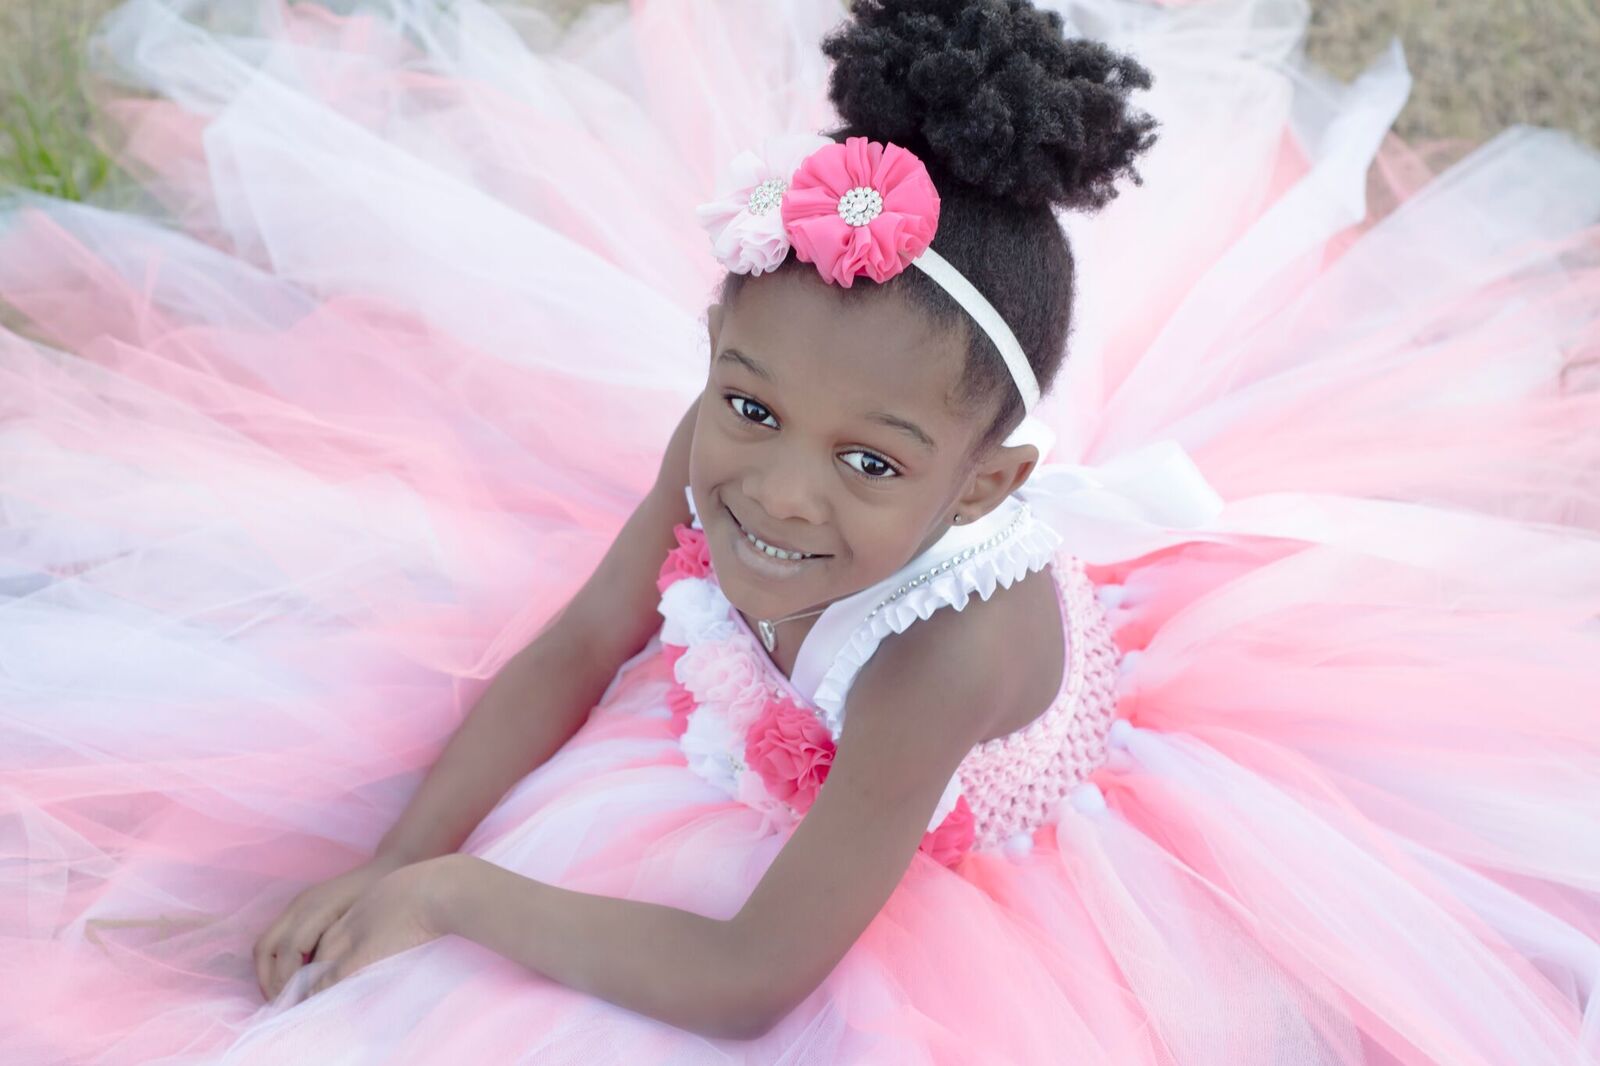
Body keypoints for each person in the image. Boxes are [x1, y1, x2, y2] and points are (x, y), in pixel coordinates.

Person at [2, 0, 1598, 1062]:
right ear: (716, 359)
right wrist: (395, 852)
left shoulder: (945, 653)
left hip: (910, 857)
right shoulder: (719, 451)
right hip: (772, 733)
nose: (776, 492)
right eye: (752, 409)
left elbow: (755, 975)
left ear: (981, 484)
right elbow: (579, 641)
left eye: (872, 459)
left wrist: (458, 897)